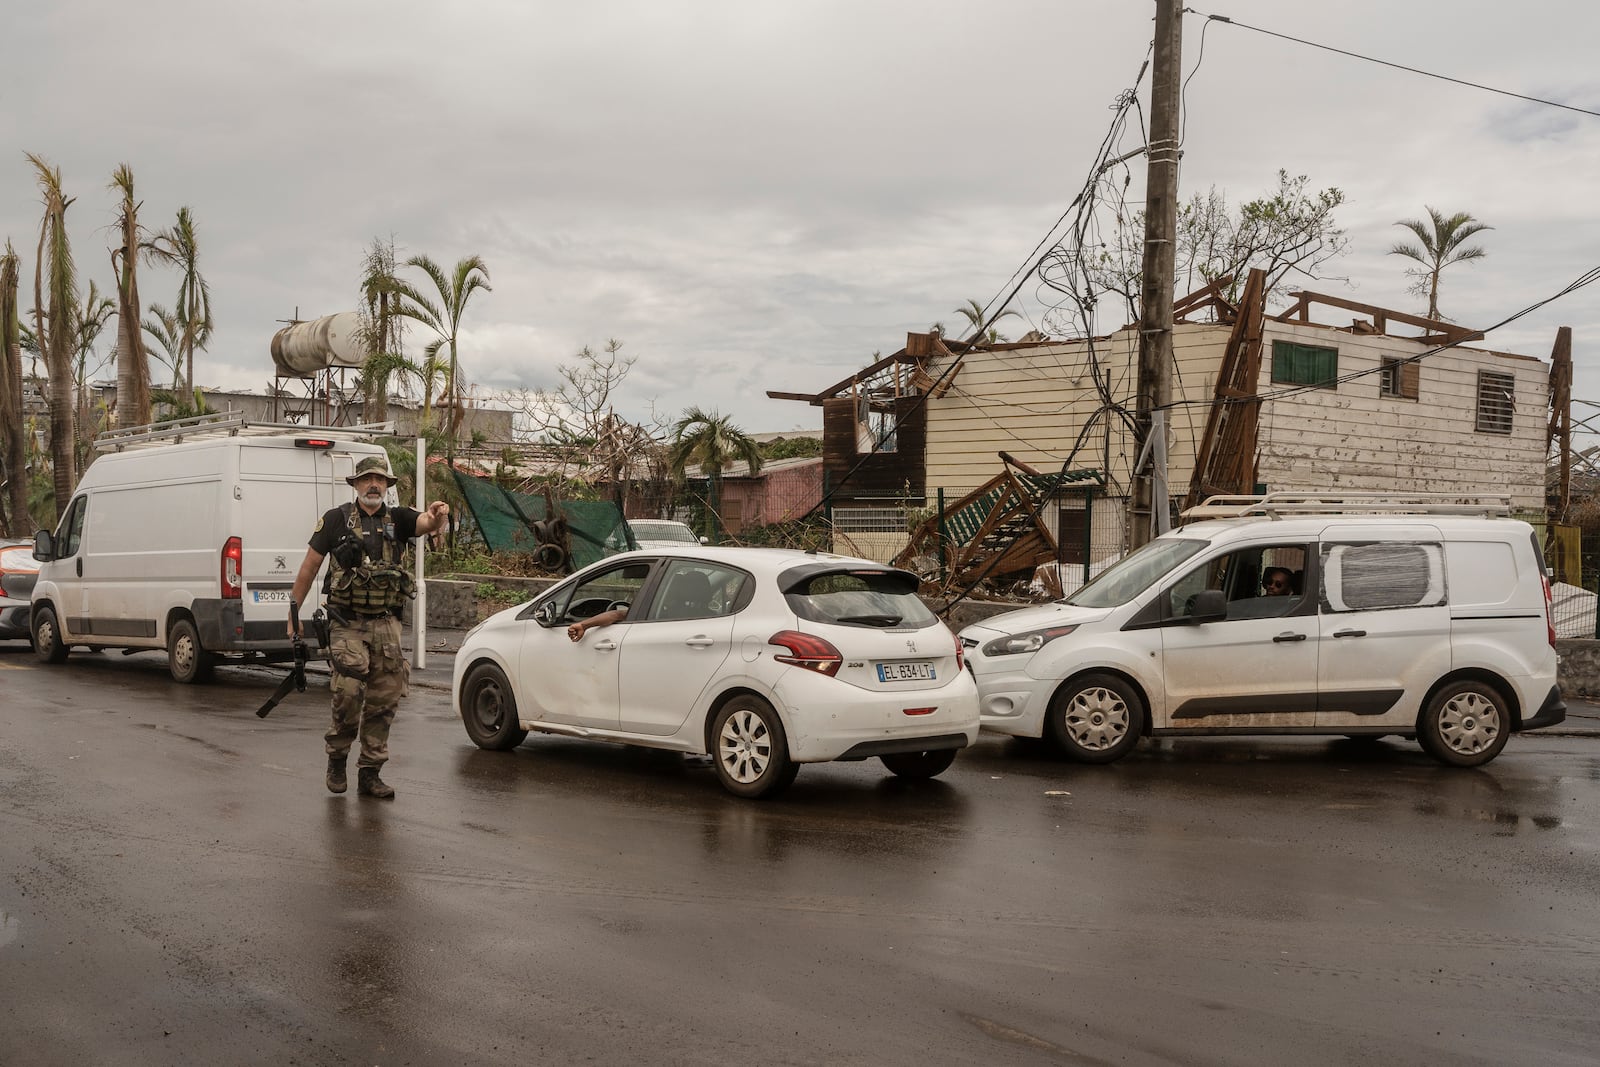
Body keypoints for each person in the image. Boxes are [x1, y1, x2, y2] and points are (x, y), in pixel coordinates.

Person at [288, 455, 450, 800]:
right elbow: (309, 567)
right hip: (347, 623)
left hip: (386, 623)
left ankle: (370, 773)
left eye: (379, 479)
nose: (373, 485)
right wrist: (292, 614)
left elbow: (426, 523)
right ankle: (337, 758)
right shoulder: (335, 520)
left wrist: (437, 516)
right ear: (356, 484)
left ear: (388, 486)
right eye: (366, 479)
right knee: (348, 693)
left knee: (384, 699)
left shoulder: (401, 518)